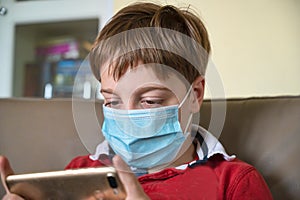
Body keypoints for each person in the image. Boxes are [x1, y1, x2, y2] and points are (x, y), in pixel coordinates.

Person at [0, 2, 273, 199]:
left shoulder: (234, 184)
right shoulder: (78, 173)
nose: (127, 119)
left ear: (196, 95)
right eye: (113, 102)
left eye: (150, 101)